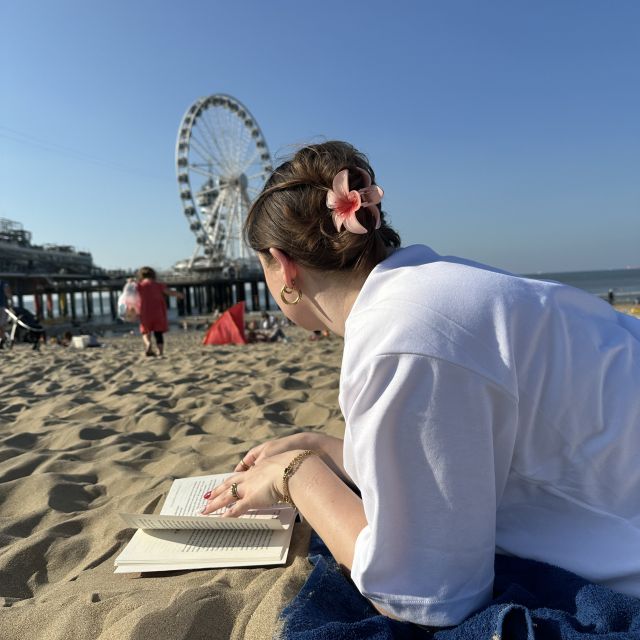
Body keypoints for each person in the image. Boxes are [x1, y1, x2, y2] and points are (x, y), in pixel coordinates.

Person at [200, 141, 640, 627]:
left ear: (283, 266)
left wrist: (297, 475)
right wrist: (326, 448)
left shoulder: (400, 339)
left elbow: (424, 595)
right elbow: (463, 461)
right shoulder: (433, 284)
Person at [135, 267, 183, 356]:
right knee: (158, 333)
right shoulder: (159, 285)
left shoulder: (139, 286)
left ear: (141, 276)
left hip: (145, 313)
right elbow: (169, 292)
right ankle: (160, 352)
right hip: (158, 313)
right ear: (153, 275)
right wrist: (178, 294)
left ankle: (148, 344)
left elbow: (130, 294)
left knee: (145, 332)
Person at [0, 280, 12, 349]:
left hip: (2, 307)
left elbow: (8, 294)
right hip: (3, 307)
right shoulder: (4, 283)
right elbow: (8, 294)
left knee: (1, 325)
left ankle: (3, 339)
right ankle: (3, 339)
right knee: (2, 325)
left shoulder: (4, 283)